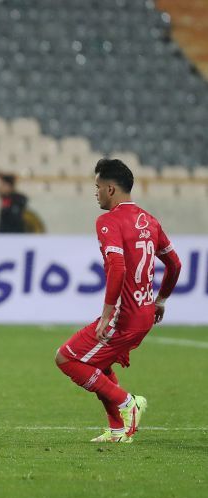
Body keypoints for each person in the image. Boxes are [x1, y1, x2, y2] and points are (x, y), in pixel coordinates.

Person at [54, 159, 181, 443]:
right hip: (144, 313)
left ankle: (128, 403)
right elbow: (175, 264)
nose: (95, 192)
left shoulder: (108, 221)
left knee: (66, 358)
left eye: (97, 186)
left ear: (110, 189)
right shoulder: (150, 221)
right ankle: (118, 430)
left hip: (123, 317)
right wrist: (161, 300)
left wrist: (107, 314)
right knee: (99, 365)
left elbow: (118, 267)